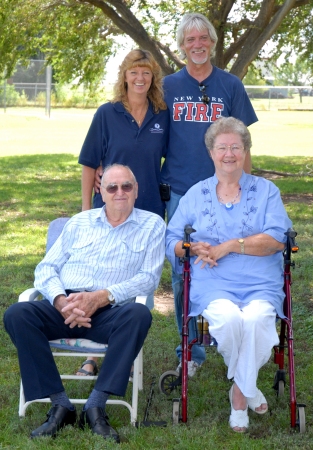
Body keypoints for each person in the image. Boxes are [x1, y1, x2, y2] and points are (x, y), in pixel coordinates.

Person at [4, 164, 166, 442]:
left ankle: (96, 405)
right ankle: (60, 403)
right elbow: (46, 268)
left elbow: (148, 279)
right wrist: (60, 300)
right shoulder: (79, 223)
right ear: (100, 191)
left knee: (139, 314)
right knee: (18, 314)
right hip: (65, 307)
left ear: (136, 191)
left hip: (111, 311)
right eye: (112, 187)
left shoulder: (152, 225)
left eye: (127, 186)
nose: (119, 192)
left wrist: (101, 296)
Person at [165, 117, 292, 432]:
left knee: (258, 320)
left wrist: (231, 246)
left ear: (246, 151)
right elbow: (171, 241)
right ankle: (248, 385)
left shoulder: (266, 192)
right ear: (211, 153)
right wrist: (192, 247)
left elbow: (277, 239)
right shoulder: (196, 194)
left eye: (236, 147)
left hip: (261, 283)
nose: (229, 154)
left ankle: (238, 395)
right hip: (214, 284)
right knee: (230, 320)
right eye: (222, 147)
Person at [161, 12, 258, 376]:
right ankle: (191, 349)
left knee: (230, 258)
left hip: (227, 191)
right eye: (190, 40)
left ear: (213, 43)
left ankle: (230, 333)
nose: (197, 45)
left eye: (204, 38)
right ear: (182, 45)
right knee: (183, 267)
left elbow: (244, 144)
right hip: (182, 192)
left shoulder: (230, 85)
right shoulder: (167, 86)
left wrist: (248, 189)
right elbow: (149, 134)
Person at [77, 48, 169, 376]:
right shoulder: (107, 113)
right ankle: (92, 356)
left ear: (153, 77)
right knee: (102, 276)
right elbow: (90, 163)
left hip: (148, 212)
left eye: (146, 72)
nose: (140, 78)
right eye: (134, 72)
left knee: (136, 282)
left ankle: (122, 352)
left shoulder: (163, 115)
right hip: (109, 211)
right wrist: (87, 211)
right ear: (125, 76)